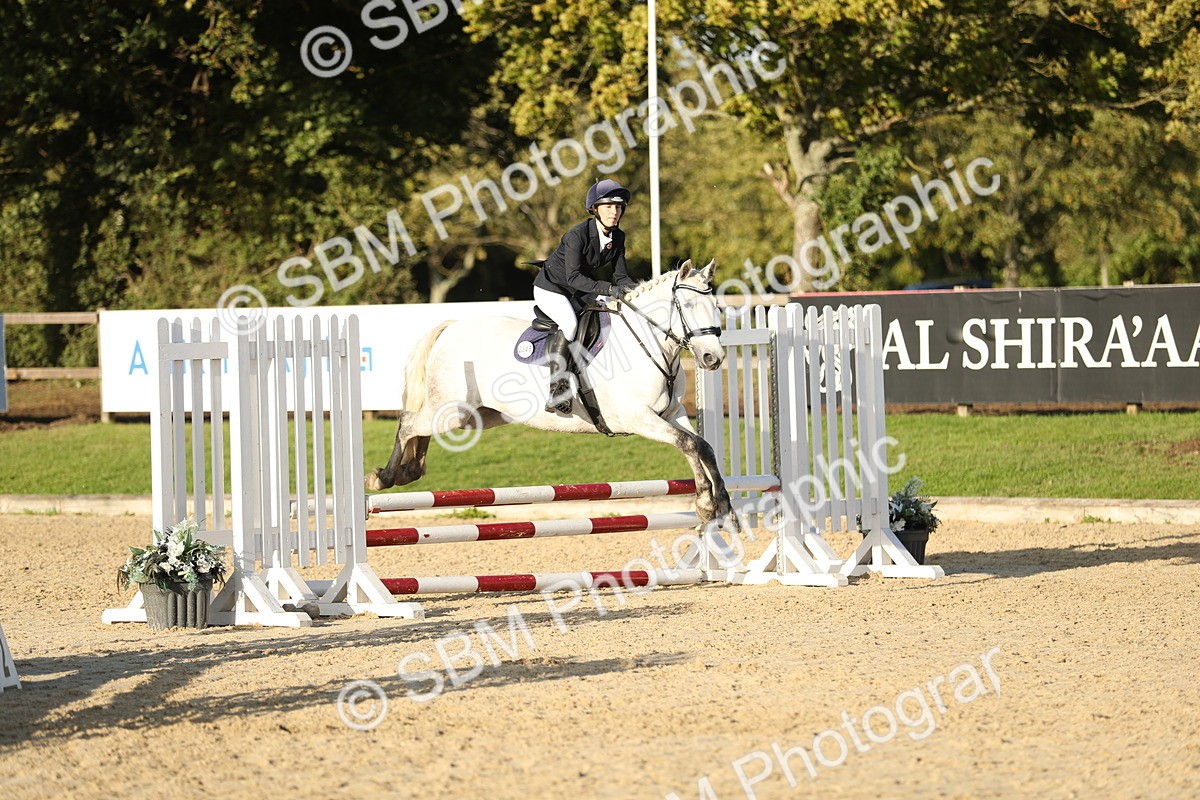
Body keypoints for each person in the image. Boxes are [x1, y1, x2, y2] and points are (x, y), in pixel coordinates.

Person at [532, 178, 638, 413]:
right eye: (609, 206)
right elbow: (573, 277)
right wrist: (609, 290)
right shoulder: (577, 235)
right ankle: (557, 390)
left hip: (579, 290)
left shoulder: (618, 237)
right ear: (595, 209)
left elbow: (621, 277)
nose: (615, 212)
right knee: (570, 324)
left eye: (619, 207)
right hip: (552, 288)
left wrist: (639, 293)